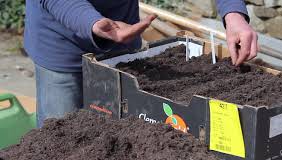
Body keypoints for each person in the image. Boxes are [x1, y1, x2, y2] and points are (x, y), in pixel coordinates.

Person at [24, 0, 257, 127]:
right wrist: (93, 22)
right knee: (61, 143)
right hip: (63, 49)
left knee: (125, 138)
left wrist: (233, 13)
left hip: (123, 45)